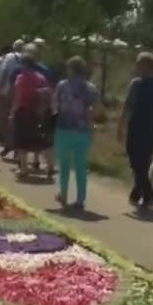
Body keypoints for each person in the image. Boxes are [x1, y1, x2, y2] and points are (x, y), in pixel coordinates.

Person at [117, 52, 153, 209]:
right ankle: (138, 192)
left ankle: (148, 196)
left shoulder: (137, 84)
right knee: (139, 163)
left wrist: (120, 127)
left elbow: (128, 108)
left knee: (139, 163)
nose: (136, 67)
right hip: (150, 129)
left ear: (146, 66)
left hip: (139, 128)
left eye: (138, 64)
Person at [52, 56, 101, 210]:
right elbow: (97, 110)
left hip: (64, 128)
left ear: (71, 69)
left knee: (65, 165)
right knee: (80, 166)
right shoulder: (91, 88)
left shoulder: (62, 86)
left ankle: (64, 194)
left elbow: (55, 105)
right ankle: (80, 199)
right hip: (83, 130)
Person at [10, 51, 50, 178]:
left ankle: (24, 169)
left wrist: (12, 112)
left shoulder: (21, 78)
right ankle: (50, 165)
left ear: (24, 64)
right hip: (36, 112)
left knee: (21, 142)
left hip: (23, 111)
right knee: (39, 141)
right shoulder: (41, 78)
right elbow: (45, 95)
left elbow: (18, 97)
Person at [0, 39, 24, 156]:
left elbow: (4, 72)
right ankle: (17, 147)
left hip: (8, 91)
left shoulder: (9, 57)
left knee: (7, 119)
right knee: (19, 119)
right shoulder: (27, 57)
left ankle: (8, 143)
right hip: (22, 91)